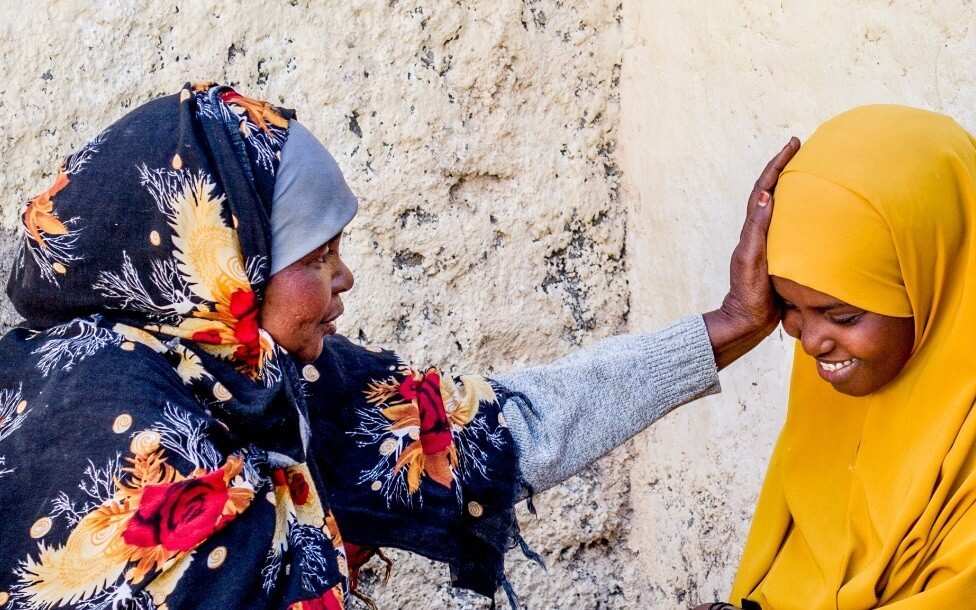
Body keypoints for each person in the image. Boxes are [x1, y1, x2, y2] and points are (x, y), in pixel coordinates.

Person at [0, 83, 794, 610]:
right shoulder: (114, 437)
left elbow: (488, 434)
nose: (343, 279)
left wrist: (726, 327)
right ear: (223, 259)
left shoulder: (258, 379)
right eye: (315, 257)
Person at [695, 105, 976, 610]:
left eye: (842, 316)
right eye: (790, 308)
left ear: (934, 279)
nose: (811, 342)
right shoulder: (831, 401)